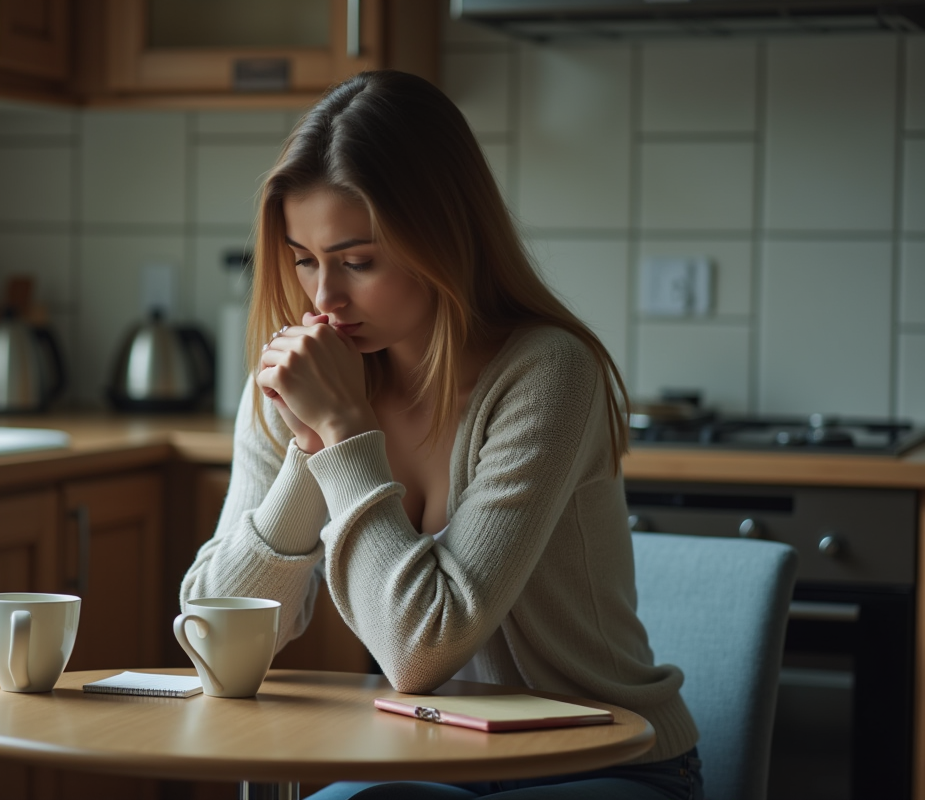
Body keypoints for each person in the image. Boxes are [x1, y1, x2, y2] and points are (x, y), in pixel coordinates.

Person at [180, 69, 703, 800]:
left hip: (600, 759)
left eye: (358, 261)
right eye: (305, 260)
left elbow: (419, 650)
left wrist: (340, 432)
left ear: (442, 240)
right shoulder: (303, 380)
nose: (324, 298)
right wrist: (310, 441)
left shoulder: (547, 373)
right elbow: (215, 637)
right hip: (425, 762)